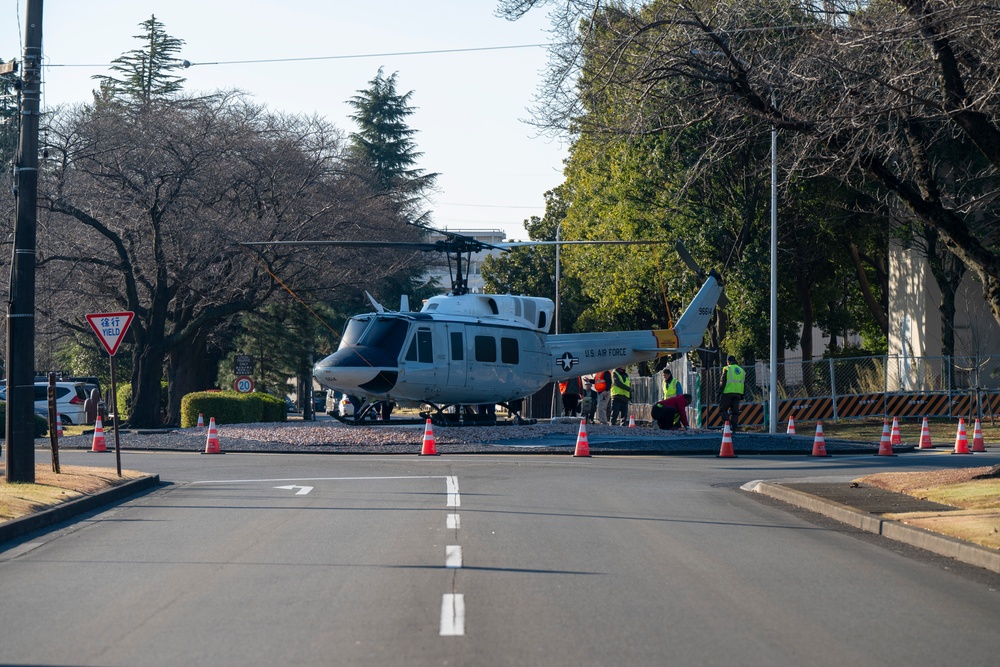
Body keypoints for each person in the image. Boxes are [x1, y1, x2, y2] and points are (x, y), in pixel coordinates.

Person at [719, 355, 745, 430]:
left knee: (723, 410)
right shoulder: (742, 371)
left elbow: (722, 381)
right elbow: (744, 384)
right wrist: (742, 394)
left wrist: (720, 391)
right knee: (735, 412)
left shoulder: (727, 368)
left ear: (728, 361)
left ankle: (727, 425)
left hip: (727, 392)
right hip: (738, 393)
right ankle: (734, 427)